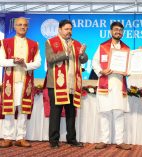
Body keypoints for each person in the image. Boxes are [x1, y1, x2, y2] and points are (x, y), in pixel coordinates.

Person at [45, 19, 88, 149]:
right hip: (56, 84)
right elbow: (50, 59)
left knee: (71, 112)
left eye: (70, 29)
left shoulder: (76, 43)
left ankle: (71, 139)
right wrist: (66, 53)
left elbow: (84, 60)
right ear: (59, 29)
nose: (69, 31)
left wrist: (82, 54)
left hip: (72, 83)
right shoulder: (50, 42)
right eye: (66, 29)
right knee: (56, 112)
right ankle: (53, 140)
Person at [0, 17, 41, 148]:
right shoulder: (5, 43)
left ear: (28, 27)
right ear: (15, 27)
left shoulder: (34, 44)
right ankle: (7, 137)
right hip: (10, 82)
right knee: (9, 109)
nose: (23, 27)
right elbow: (1, 61)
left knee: (23, 109)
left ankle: (20, 137)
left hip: (26, 81)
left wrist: (24, 64)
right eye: (20, 25)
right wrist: (13, 61)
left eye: (25, 25)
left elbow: (38, 63)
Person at [92, 22, 131, 150]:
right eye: (116, 29)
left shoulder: (126, 49)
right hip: (105, 84)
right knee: (105, 113)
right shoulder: (102, 46)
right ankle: (104, 140)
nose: (118, 32)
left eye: (120, 30)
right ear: (111, 31)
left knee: (119, 113)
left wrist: (128, 71)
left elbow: (130, 66)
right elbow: (94, 62)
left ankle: (120, 141)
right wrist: (101, 71)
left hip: (119, 84)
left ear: (123, 32)